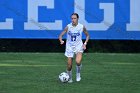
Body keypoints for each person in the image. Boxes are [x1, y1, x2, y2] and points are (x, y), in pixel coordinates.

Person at [59, 13, 90, 83]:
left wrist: (85, 43)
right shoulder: (68, 27)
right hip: (69, 47)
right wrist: (61, 40)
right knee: (69, 65)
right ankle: (69, 78)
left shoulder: (81, 27)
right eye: (72, 18)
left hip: (79, 46)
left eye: (74, 18)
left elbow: (87, 35)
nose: (73, 20)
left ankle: (78, 74)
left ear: (77, 19)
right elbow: (61, 35)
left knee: (78, 61)